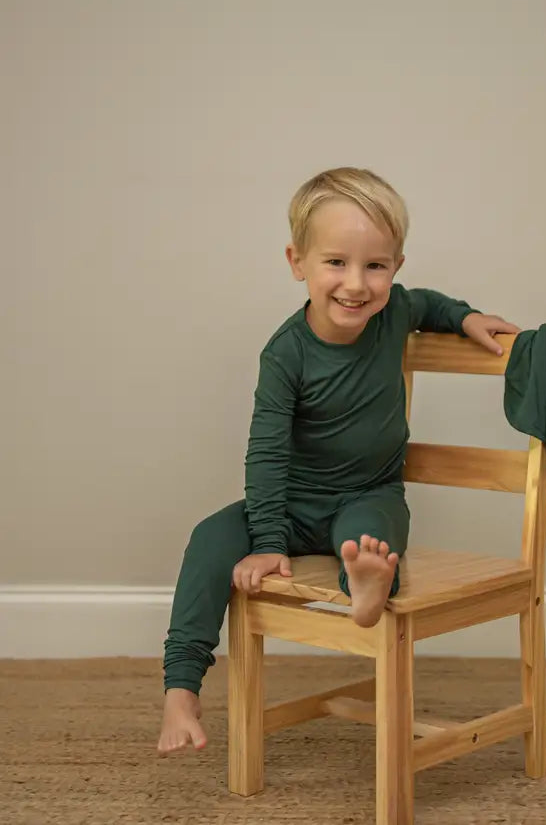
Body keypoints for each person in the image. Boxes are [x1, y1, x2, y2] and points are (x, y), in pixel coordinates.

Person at [157, 167, 519, 755]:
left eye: (375, 265)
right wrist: (268, 541)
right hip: (291, 506)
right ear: (296, 261)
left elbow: (428, 304)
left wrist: (464, 316)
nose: (356, 284)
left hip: (368, 494)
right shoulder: (285, 355)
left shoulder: (395, 312)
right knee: (209, 537)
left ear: (395, 267)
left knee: (368, 539)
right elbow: (267, 452)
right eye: (335, 262)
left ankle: (368, 588)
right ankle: (181, 688)